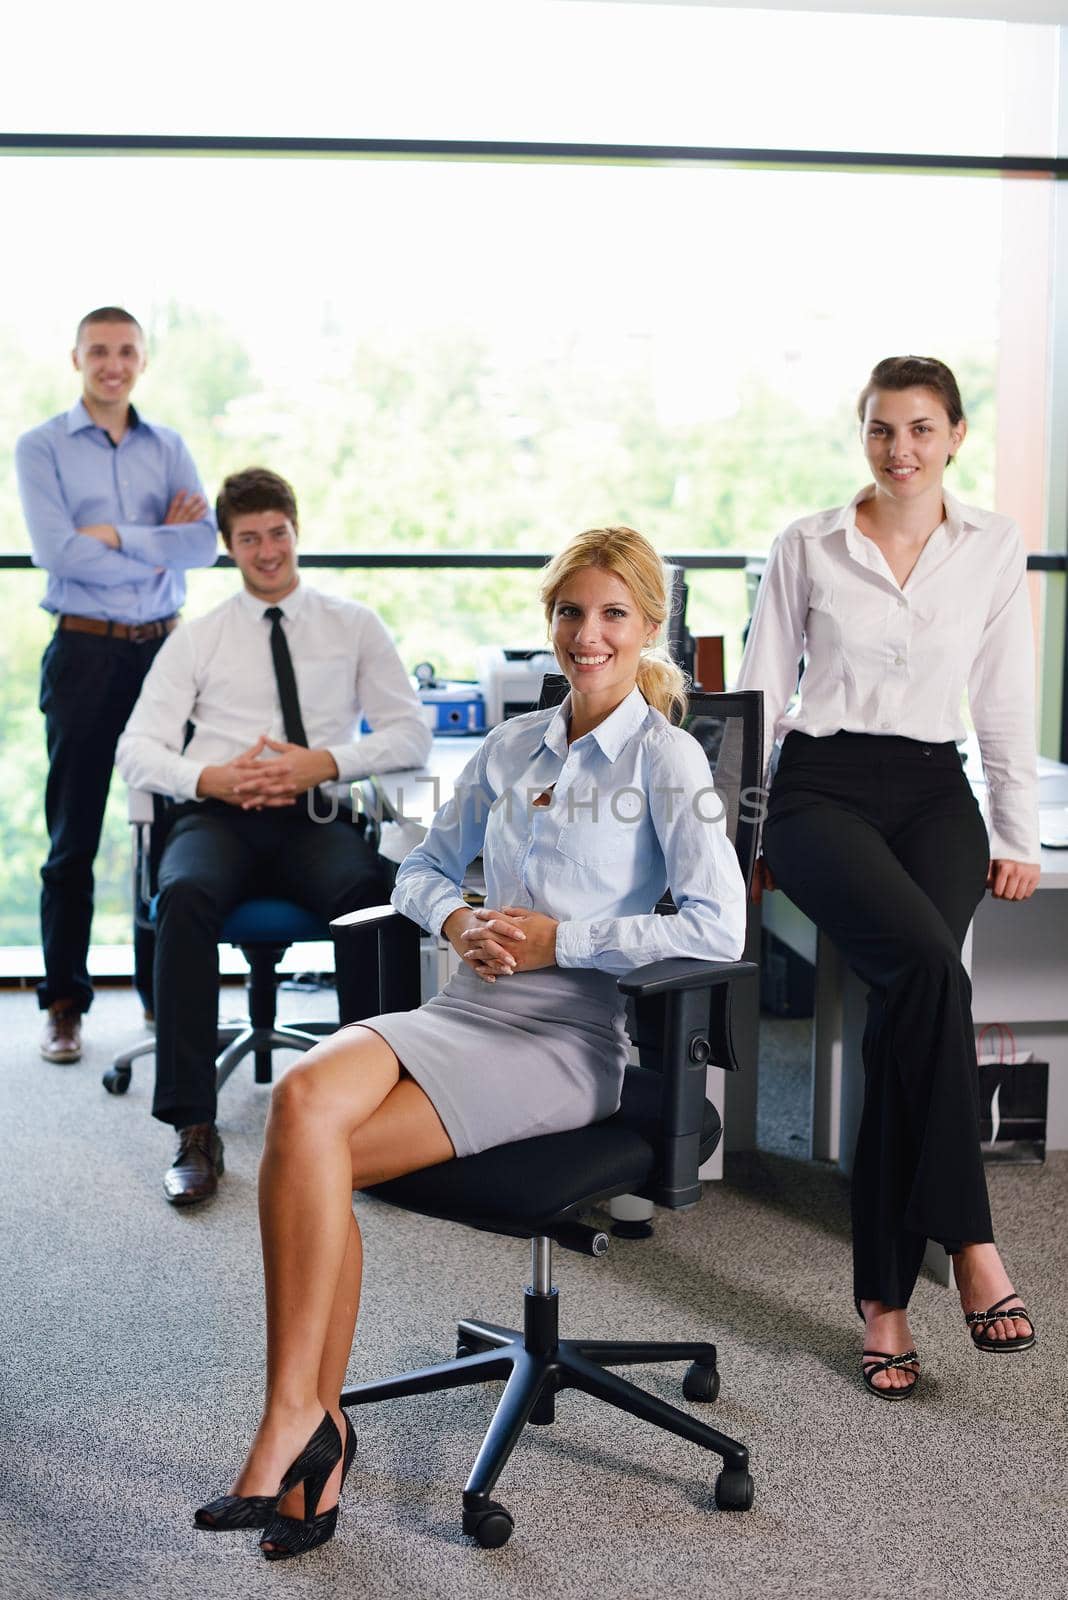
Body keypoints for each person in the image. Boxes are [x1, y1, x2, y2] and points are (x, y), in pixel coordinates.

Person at [191, 524, 747, 1560]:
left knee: (316, 1152)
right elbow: (420, 870)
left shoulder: (667, 760)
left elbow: (719, 928)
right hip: (464, 1013)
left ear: (646, 628)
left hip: (566, 1040)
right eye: (571, 612)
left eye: (613, 614)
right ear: (550, 622)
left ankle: (302, 1437)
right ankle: (307, 1418)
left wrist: (561, 938)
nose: (589, 634)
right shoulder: (509, 747)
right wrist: (456, 920)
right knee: (303, 1108)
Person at [737, 355, 1040, 1399]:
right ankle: (967, 1241)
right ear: (860, 435)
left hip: (932, 789)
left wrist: (1016, 831)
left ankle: (883, 1303)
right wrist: (737, 836)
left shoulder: (995, 546)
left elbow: (1002, 696)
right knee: (931, 973)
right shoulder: (809, 543)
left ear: (955, 434)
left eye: (920, 429)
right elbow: (763, 690)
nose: (900, 449)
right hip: (821, 787)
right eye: (881, 430)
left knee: (907, 1004)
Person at [116, 466, 432, 1206]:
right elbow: (137, 748)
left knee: (371, 896)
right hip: (217, 815)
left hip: (313, 815)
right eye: (250, 538)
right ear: (229, 546)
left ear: (296, 531)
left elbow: (409, 732)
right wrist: (214, 778)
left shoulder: (353, 624)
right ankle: (194, 1127)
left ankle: (371, 1117)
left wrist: (324, 762)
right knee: (184, 893)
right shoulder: (199, 638)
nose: (267, 550)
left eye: (278, 534)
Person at [15, 306, 216, 1065]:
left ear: (141, 360)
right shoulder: (40, 447)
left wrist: (119, 537)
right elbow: (56, 555)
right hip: (86, 653)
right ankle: (64, 1005)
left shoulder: (169, 446)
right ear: (76, 359)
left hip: (165, 657)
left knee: (166, 833)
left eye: (126, 351)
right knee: (74, 836)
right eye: (98, 350)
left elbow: (201, 545)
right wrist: (156, 544)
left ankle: (163, 1000)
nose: (113, 363)